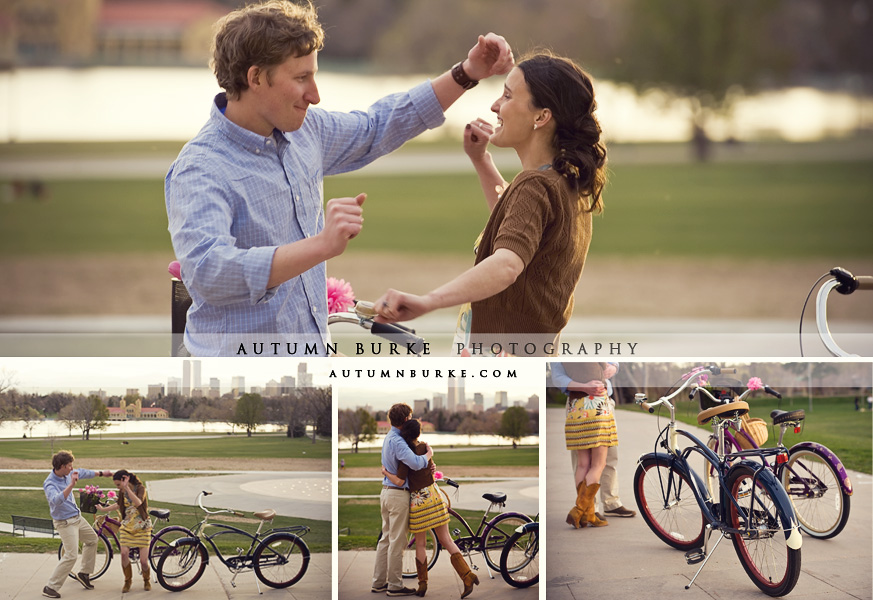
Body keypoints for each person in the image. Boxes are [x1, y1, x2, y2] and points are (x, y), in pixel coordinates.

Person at [165, 0, 513, 357]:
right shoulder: (200, 167)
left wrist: (467, 72)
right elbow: (209, 273)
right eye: (301, 78)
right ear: (255, 78)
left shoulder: (305, 131)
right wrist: (322, 245)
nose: (315, 96)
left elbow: (378, 126)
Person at [375, 52, 607, 355]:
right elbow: (518, 224)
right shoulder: (566, 184)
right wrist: (481, 160)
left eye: (508, 96)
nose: (495, 105)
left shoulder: (535, 185)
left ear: (541, 117)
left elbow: (508, 263)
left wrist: (428, 301)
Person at [382, 419, 478, 598]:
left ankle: (422, 584)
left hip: (419, 502)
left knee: (420, 543)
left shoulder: (406, 456)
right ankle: (467, 575)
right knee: (447, 539)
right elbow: (431, 469)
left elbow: (400, 481)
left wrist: (386, 473)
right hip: (435, 496)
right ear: (419, 434)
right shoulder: (426, 448)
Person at [551, 362, 636, 523]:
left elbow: (613, 361)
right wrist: (585, 386)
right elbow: (557, 378)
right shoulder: (558, 348)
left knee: (605, 458)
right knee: (594, 463)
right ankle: (588, 508)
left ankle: (609, 503)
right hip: (591, 404)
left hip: (598, 403)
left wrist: (614, 367)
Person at [372, 404, 434, 596]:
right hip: (398, 494)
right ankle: (394, 586)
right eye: (410, 416)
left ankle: (379, 582)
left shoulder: (389, 437)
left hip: (387, 492)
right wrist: (429, 455)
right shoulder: (398, 441)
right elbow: (415, 463)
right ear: (406, 419)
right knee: (397, 542)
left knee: (385, 539)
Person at [42, 451, 112, 599]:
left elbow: (83, 472)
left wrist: (101, 473)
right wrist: (72, 485)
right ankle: (50, 587)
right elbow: (55, 500)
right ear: (61, 466)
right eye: (69, 466)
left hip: (77, 518)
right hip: (65, 523)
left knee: (92, 540)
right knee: (71, 555)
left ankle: (84, 573)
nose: (71, 468)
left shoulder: (68, 474)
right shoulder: (50, 483)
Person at [558, 362, 618, 528]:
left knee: (583, 464)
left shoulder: (562, 357)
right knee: (599, 464)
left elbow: (558, 378)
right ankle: (579, 510)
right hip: (597, 409)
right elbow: (608, 364)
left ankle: (587, 515)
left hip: (576, 409)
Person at [95, 470, 153, 592]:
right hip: (127, 525)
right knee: (123, 554)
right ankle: (127, 581)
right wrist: (103, 510)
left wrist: (127, 489)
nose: (117, 487)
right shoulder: (122, 491)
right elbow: (118, 505)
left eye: (118, 484)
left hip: (142, 526)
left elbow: (138, 502)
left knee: (143, 561)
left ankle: (146, 580)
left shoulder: (140, 488)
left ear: (125, 480)